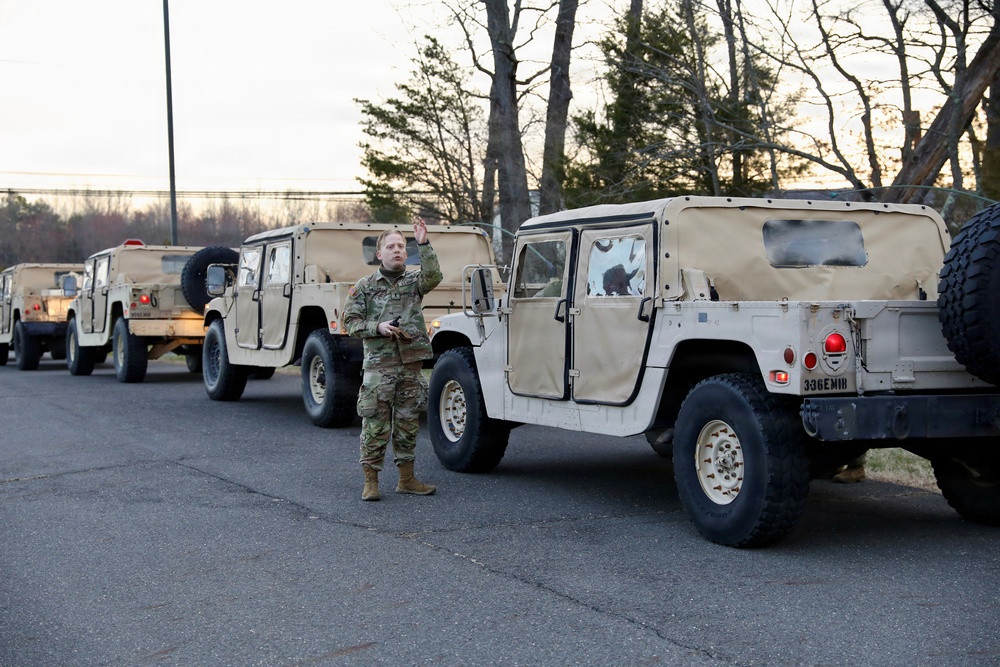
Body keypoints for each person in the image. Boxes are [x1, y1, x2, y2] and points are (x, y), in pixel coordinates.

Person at [343, 218, 443, 501]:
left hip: (410, 365)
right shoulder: (364, 286)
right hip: (380, 366)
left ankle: (406, 479)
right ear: (380, 253)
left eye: (401, 245)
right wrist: (378, 327)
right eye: (391, 246)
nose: (397, 250)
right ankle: (371, 482)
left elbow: (434, 276)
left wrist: (423, 243)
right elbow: (349, 321)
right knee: (375, 423)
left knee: (408, 422)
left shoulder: (414, 282)